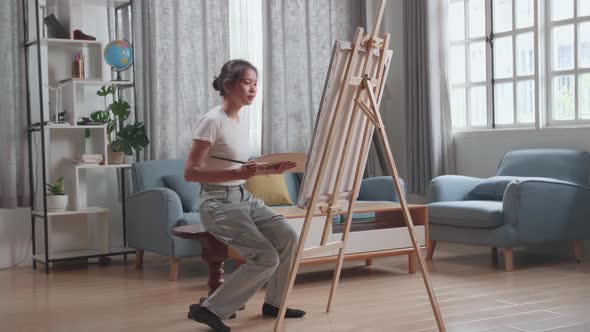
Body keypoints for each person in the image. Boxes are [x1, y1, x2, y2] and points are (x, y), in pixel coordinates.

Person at [184, 59, 306, 332]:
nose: (253, 89)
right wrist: (244, 173)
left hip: (243, 197)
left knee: (288, 237)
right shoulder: (211, 122)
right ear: (228, 86)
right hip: (217, 202)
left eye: (255, 84)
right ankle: (210, 309)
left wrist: (269, 169)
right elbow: (191, 172)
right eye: (247, 83)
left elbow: (238, 168)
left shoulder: (239, 119)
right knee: (265, 257)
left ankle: (274, 303)